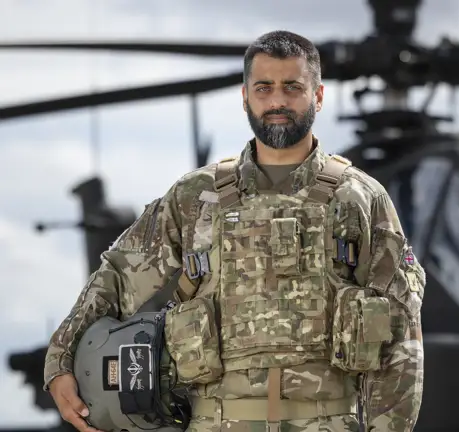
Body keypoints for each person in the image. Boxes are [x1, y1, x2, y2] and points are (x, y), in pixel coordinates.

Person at [43, 30, 425, 432]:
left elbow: (401, 331)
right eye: (264, 88)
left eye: (292, 87)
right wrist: (61, 359)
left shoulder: (361, 198)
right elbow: (119, 276)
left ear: (318, 96)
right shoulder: (195, 197)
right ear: (245, 97)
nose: (277, 101)